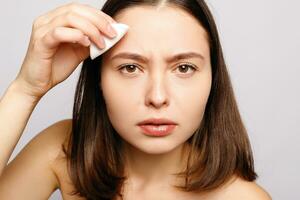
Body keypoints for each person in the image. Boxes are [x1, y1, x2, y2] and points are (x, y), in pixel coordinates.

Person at [0, 0, 272, 199]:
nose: (157, 97)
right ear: (99, 80)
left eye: (184, 68)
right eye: (130, 68)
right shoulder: (64, 148)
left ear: (213, 79)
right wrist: (25, 89)